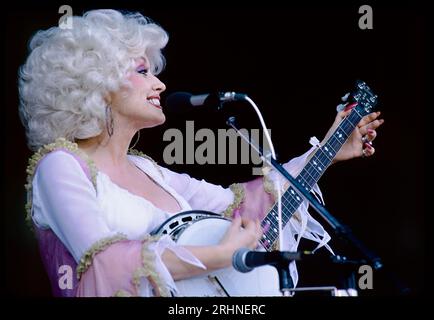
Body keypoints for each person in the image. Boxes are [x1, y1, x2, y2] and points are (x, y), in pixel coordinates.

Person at [18, 9, 383, 297]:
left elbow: (249, 211)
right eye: (142, 70)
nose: (159, 83)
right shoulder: (60, 165)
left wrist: (330, 147)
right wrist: (221, 256)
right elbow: (104, 262)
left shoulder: (150, 170)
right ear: (97, 82)